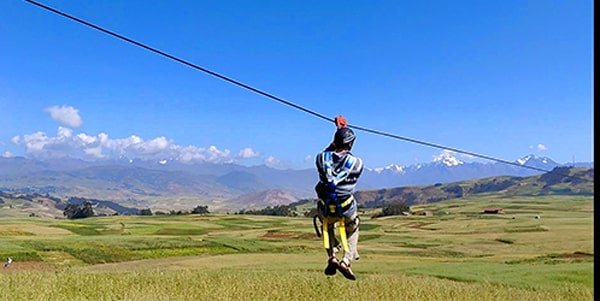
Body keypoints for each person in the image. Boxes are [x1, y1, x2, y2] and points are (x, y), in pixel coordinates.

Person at [315, 115, 363, 280]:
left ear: (335, 141)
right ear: (350, 143)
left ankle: (331, 257)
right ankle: (346, 260)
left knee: (327, 226)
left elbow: (328, 153)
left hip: (326, 208)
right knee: (353, 228)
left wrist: (339, 131)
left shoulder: (320, 159)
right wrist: (343, 131)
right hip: (346, 208)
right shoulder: (357, 164)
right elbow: (345, 157)